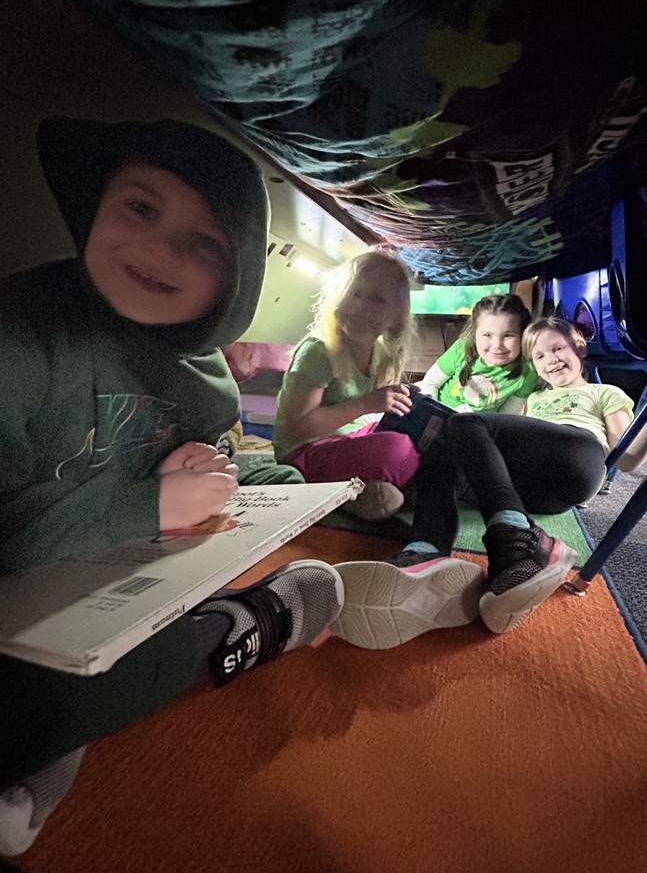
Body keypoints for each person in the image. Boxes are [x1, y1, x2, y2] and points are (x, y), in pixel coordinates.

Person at [0, 116, 345, 857]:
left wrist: (278, 490)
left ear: (234, 281)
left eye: (205, 243)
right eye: (141, 208)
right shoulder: (21, 342)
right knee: (45, 692)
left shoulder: (201, 366)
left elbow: (215, 450)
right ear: (98, 203)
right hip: (26, 595)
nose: (160, 249)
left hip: (111, 584)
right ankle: (242, 626)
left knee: (77, 675)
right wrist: (149, 504)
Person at [331, 316, 647, 647]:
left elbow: (630, 457)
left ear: (579, 346)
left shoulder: (603, 392)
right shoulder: (535, 398)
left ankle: (515, 538)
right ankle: (426, 549)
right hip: (531, 489)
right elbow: (499, 450)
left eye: (558, 348)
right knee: (446, 446)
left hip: (579, 458)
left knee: (464, 425)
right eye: (540, 355)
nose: (551, 360)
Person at [272, 249, 423, 521]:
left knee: (423, 434)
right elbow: (295, 430)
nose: (361, 306)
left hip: (349, 442)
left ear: (397, 314)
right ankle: (355, 490)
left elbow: (369, 417)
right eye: (354, 293)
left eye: (377, 299)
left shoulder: (379, 352)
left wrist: (401, 399)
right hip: (303, 454)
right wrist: (366, 403)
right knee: (396, 449)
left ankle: (364, 491)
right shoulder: (318, 351)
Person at [418, 292, 539, 415]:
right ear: (474, 334)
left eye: (508, 335)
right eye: (487, 335)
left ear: (523, 335)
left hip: (479, 424)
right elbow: (431, 382)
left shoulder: (528, 370)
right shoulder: (462, 348)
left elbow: (509, 413)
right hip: (440, 411)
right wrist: (433, 415)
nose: (497, 345)